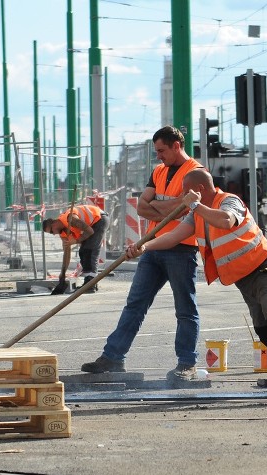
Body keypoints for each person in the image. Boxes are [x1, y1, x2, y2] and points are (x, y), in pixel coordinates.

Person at [126, 168, 267, 397]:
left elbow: (226, 221)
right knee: (264, 331)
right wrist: (144, 246)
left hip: (266, 268)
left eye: (186, 193)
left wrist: (196, 205)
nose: (183, 198)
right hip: (245, 278)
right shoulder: (196, 214)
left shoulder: (229, 201)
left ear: (198, 190)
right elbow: (174, 236)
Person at [81, 126, 203, 379]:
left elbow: (182, 210)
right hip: (153, 246)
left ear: (176, 146)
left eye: (161, 151)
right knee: (135, 304)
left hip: (182, 249)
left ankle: (186, 363)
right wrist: (169, 205)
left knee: (184, 308)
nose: (158, 156)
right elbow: (142, 207)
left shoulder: (195, 173)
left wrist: (160, 205)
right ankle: (113, 358)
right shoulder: (159, 171)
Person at [43, 203, 109, 294]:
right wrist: (63, 273)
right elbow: (67, 253)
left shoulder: (70, 219)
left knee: (88, 250)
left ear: (54, 223)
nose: (53, 234)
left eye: (51, 231)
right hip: (92, 224)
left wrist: (76, 241)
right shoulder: (63, 233)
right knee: (84, 252)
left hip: (99, 219)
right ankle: (91, 282)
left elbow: (90, 231)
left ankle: (90, 284)